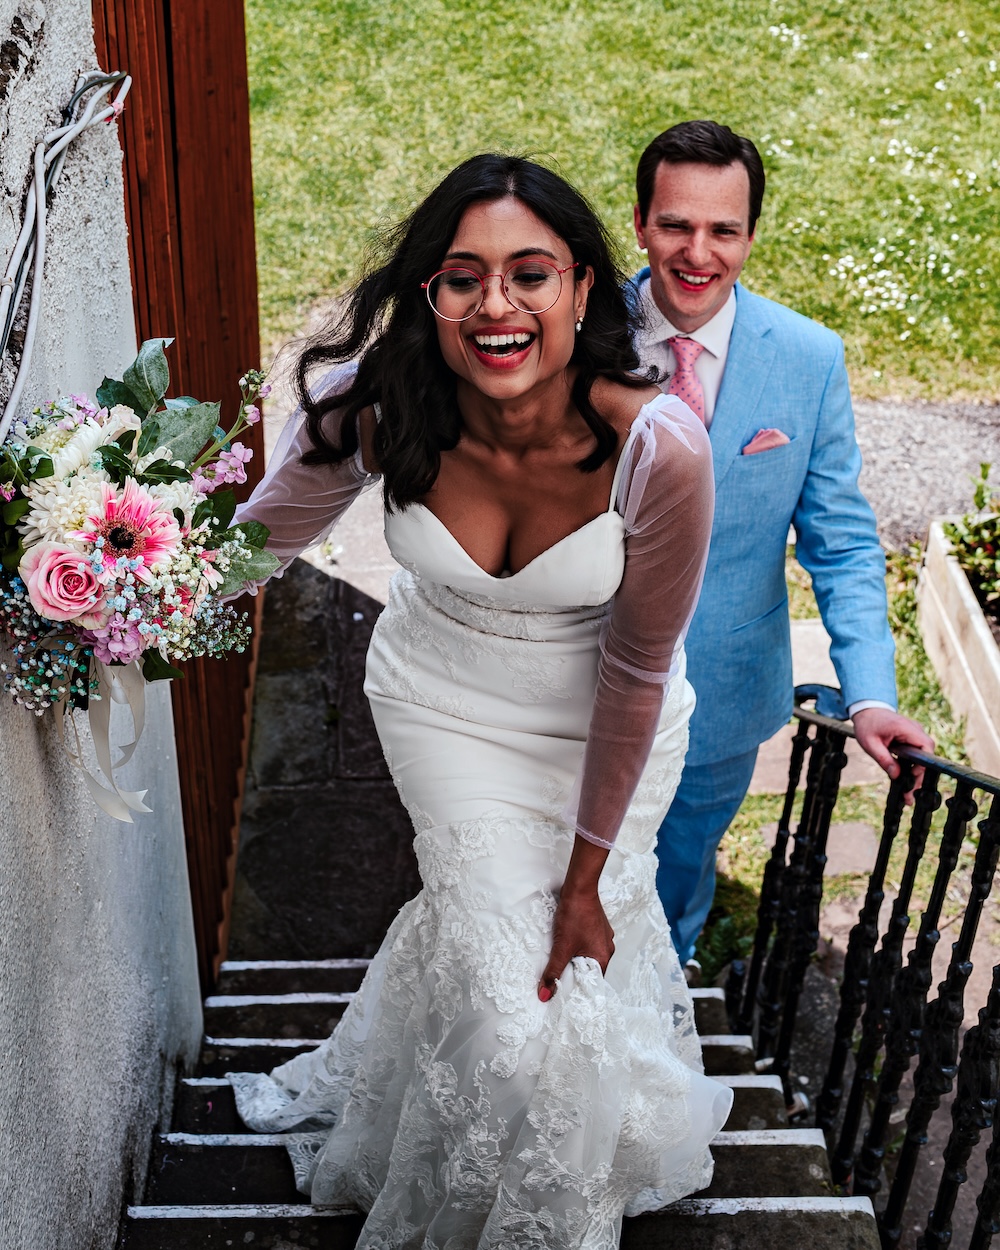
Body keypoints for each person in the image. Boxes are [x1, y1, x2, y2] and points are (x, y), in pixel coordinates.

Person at [227, 153, 732, 1248]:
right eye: (461, 277)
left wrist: (588, 874)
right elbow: (243, 552)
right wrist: (98, 576)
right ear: (428, 296)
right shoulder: (375, 408)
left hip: (610, 729)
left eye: (529, 273)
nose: (494, 304)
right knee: (515, 1017)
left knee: (573, 965)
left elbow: (638, 669)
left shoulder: (662, 452)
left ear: (586, 288)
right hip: (445, 706)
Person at [630, 120, 933, 965]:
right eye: (676, 225)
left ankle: (661, 1007)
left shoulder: (808, 359)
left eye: (723, 229)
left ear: (751, 234)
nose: (699, 252)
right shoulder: (573, 334)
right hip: (567, 686)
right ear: (640, 222)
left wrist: (870, 695)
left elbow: (840, 542)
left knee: (675, 881)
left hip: (722, 698)